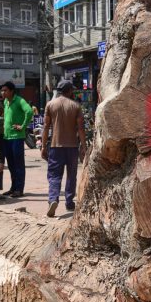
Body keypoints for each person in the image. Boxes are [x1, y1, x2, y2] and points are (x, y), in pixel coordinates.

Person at [42, 80, 86, 217]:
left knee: (54, 175)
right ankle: (69, 202)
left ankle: (53, 199)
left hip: (55, 146)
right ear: (69, 91)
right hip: (72, 146)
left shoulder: (50, 105)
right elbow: (80, 128)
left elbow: (46, 127)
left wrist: (43, 146)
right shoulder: (76, 106)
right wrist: (84, 146)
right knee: (71, 175)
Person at [1, 81, 33, 197]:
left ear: (11, 91)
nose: (2, 93)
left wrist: (23, 126)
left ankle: (19, 189)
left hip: (17, 137)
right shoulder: (5, 102)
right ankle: (13, 187)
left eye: (5, 90)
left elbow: (29, 111)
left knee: (18, 164)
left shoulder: (19, 100)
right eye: (2, 90)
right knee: (11, 165)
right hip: (6, 137)